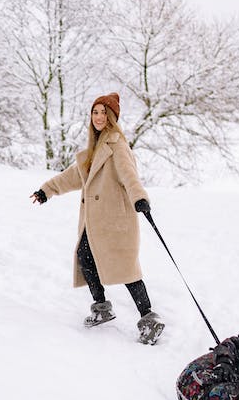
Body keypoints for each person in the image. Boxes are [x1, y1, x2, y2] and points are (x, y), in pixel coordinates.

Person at [30, 92, 165, 345]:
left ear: (112, 117)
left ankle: (149, 318)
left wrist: (140, 198)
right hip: (95, 225)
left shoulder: (117, 146)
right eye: (95, 112)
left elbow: (130, 176)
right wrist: (46, 190)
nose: (99, 117)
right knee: (85, 257)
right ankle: (102, 307)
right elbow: (72, 176)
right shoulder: (94, 149)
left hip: (115, 222)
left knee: (125, 269)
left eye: (104, 113)